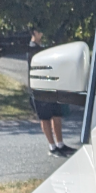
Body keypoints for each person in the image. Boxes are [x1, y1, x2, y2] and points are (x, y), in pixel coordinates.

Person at [28, 29, 72, 157]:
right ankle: (52, 147)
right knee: (45, 118)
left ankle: (60, 144)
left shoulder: (43, 46)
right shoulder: (32, 49)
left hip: (51, 87)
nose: (42, 33)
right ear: (34, 32)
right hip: (39, 89)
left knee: (57, 116)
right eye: (40, 31)